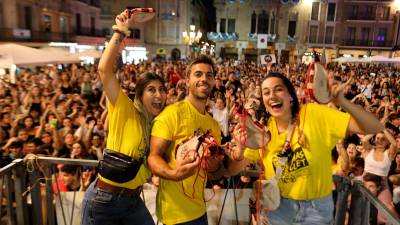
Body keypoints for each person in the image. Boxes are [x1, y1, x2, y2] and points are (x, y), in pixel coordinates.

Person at [233, 72, 383, 225]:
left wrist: (342, 102)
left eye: (278, 89)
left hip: (316, 212)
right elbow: (235, 167)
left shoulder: (313, 114)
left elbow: (374, 126)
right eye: (266, 92)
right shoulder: (263, 132)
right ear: (264, 102)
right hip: (278, 209)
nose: (272, 95)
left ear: (291, 96)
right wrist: (239, 145)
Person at [81, 10, 167, 225]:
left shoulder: (155, 125)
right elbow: (104, 70)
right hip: (104, 202)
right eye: (151, 90)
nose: (159, 95)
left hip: (133, 201)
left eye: (162, 89)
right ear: (139, 94)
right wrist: (120, 30)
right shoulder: (124, 108)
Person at [148, 55, 243, 225]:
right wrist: (174, 174)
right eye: (198, 74)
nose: (204, 79)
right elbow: (153, 157)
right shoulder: (171, 114)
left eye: (209, 75)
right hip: (173, 215)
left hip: (200, 212)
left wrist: (215, 168)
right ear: (187, 80)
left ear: (214, 81)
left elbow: (215, 174)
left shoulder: (213, 125)